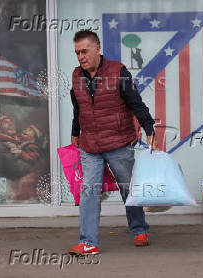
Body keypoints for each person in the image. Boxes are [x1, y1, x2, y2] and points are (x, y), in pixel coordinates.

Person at [68, 31, 156, 256]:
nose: (80, 56)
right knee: (89, 192)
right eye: (77, 52)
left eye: (84, 51)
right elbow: (78, 107)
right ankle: (88, 241)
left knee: (128, 188)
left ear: (97, 48)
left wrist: (148, 128)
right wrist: (75, 132)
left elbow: (136, 102)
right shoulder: (76, 76)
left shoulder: (118, 71)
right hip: (90, 146)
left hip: (118, 142)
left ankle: (139, 229)